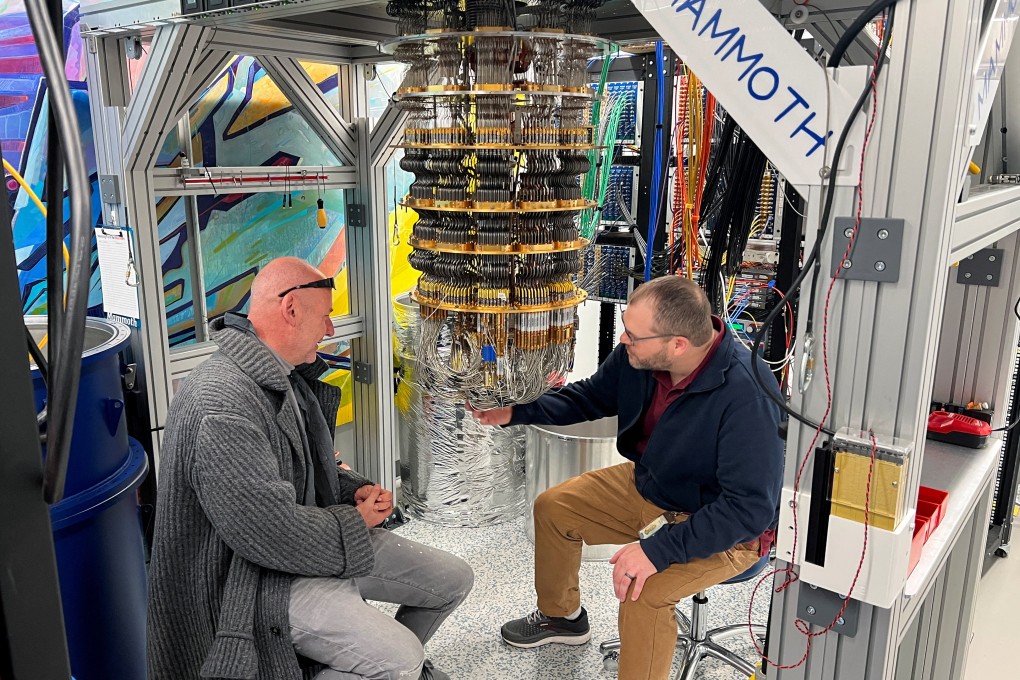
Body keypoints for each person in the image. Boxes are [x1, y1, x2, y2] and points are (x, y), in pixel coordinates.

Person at [148, 257, 473, 680]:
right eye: (325, 316)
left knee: (453, 580)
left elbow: (297, 472)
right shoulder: (222, 403)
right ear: (290, 310)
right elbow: (268, 534)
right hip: (251, 580)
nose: (331, 329)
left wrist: (349, 489)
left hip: (305, 544)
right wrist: (354, 521)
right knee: (400, 659)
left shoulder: (284, 377)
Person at [469, 276, 784, 680]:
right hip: (654, 485)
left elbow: (749, 510)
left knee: (643, 591)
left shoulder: (747, 393)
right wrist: (517, 411)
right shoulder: (640, 358)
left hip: (724, 527)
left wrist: (657, 551)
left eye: (634, 335)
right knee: (554, 508)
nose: (623, 339)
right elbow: (591, 397)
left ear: (678, 344)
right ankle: (562, 618)